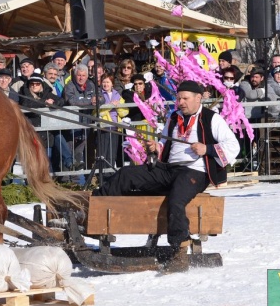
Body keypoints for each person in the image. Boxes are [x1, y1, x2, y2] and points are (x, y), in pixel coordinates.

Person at [95, 81, 240, 272]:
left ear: (198, 99)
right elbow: (165, 145)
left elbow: (233, 146)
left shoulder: (212, 119)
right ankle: (94, 209)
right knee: (126, 174)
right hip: (169, 169)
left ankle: (179, 249)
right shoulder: (174, 117)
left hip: (195, 171)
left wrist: (208, 149)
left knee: (177, 199)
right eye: (178, 98)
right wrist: (156, 147)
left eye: (185, 98)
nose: (180, 102)